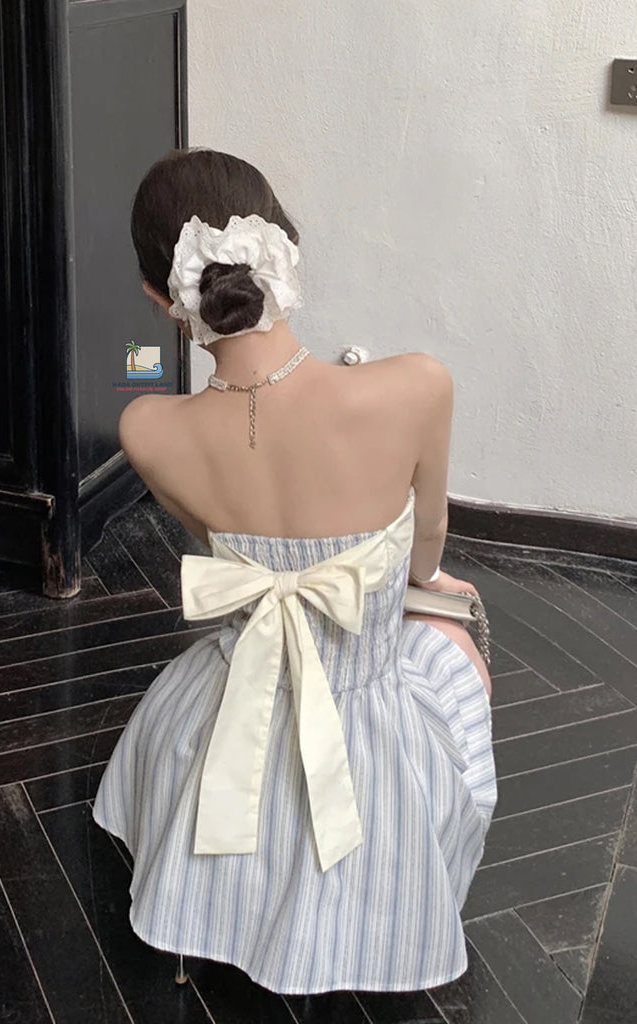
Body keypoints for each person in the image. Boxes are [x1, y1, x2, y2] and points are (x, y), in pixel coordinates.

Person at [92, 147, 497, 995]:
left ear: (159, 296)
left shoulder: (146, 428)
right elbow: (427, 550)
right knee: (456, 644)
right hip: (367, 701)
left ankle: (209, 904)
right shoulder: (416, 386)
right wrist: (424, 585)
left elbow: (217, 537)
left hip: (240, 684)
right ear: (286, 248)